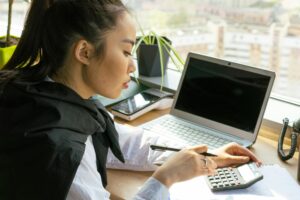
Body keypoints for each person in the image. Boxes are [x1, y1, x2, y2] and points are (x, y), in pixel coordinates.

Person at [0, 0, 261, 199]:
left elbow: (122, 140)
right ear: (84, 51)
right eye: (126, 51)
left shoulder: (36, 91)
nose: (132, 66)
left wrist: (209, 155)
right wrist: (165, 179)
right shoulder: (62, 152)